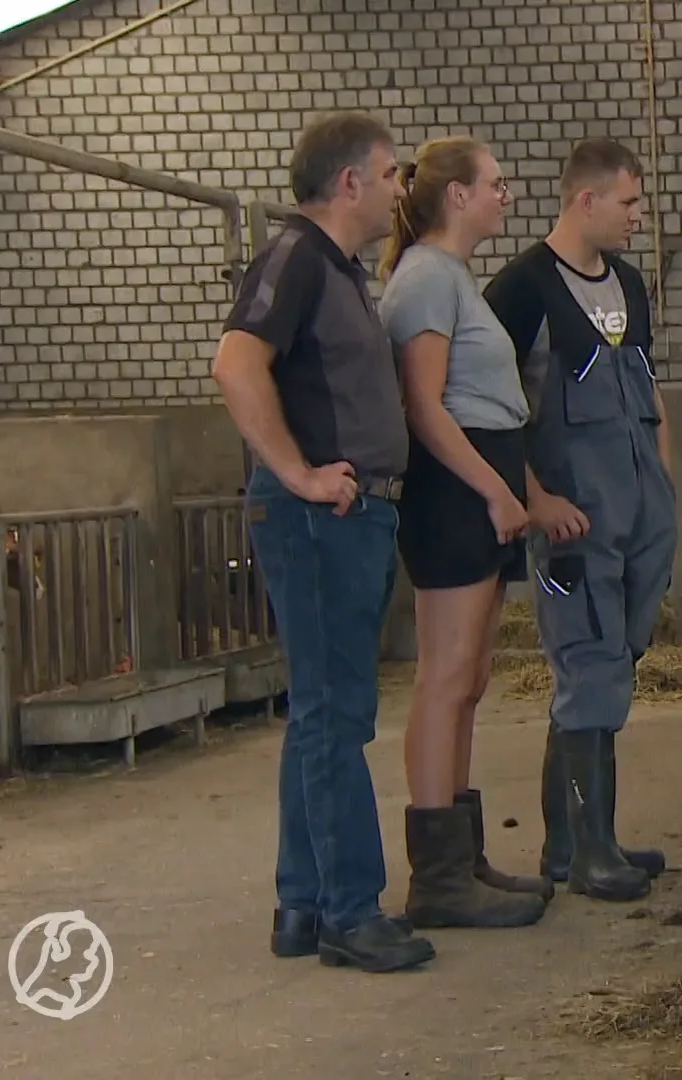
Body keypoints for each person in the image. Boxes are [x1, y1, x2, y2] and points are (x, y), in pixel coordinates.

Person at [210, 111, 434, 973]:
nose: (396, 191)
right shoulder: (296, 258)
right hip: (319, 516)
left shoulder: (336, 270)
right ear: (348, 184)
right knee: (335, 716)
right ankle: (349, 909)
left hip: (352, 513)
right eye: (388, 176)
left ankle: (302, 903)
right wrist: (301, 474)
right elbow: (236, 364)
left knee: (324, 714)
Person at [482, 138, 675, 904]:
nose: (638, 216)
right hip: (569, 524)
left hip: (636, 516)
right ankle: (590, 852)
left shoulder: (628, 283)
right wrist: (535, 499)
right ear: (584, 200)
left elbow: (648, 388)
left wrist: (659, 479)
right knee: (587, 667)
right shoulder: (523, 290)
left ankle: (573, 843)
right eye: (628, 202)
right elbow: (492, 414)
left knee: (613, 664)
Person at [375, 135, 552, 930]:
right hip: (456, 486)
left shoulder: (453, 278)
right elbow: (425, 407)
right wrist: (493, 491)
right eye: (495, 183)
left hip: (485, 475)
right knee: (446, 675)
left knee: (472, 674)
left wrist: (515, 487)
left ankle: (462, 850)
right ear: (456, 196)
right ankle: (438, 878)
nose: (504, 195)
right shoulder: (423, 281)